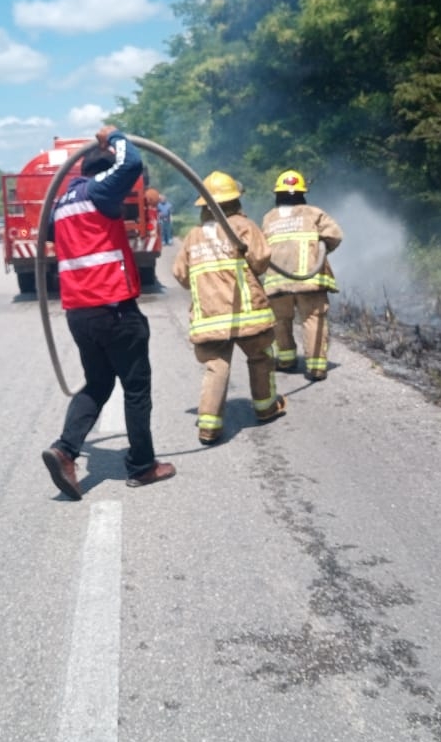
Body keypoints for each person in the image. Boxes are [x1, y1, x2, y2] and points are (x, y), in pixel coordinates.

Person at [41, 126, 176, 499]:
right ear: (103, 173)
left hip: (79, 313)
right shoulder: (100, 190)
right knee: (135, 387)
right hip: (114, 309)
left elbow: (57, 235)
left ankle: (65, 451)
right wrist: (114, 136)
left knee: (99, 383)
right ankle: (143, 466)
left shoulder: (63, 202)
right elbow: (131, 161)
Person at [171, 171, 286, 445]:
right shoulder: (244, 227)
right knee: (260, 358)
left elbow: (181, 274)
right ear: (235, 201)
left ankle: (208, 427)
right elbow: (261, 260)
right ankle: (266, 408)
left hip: (209, 319)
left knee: (216, 367)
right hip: (248, 314)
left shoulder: (193, 236)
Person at [260, 169, 344, 381]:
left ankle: (286, 360)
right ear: (302, 194)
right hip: (310, 281)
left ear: (277, 195)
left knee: (280, 320)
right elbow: (335, 235)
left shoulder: (268, 218)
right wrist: (320, 249)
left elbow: (261, 249)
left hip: (277, 283)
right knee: (313, 319)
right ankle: (316, 367)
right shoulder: (314, 213)